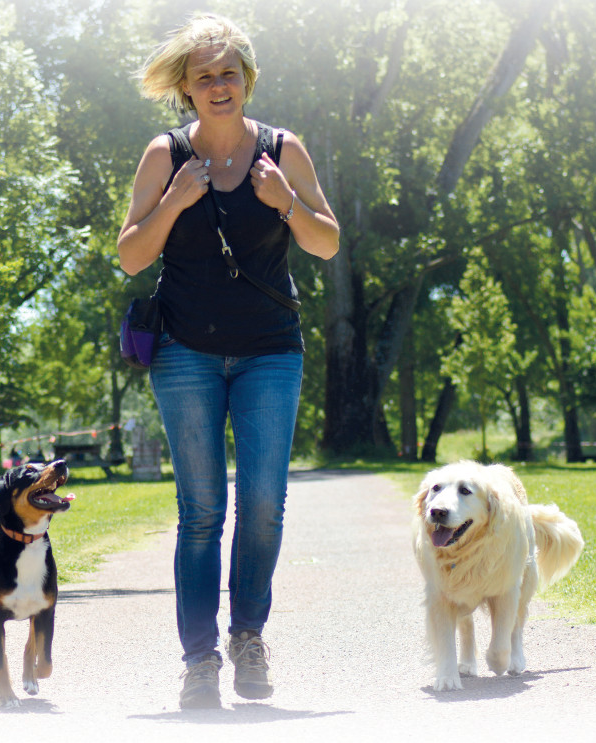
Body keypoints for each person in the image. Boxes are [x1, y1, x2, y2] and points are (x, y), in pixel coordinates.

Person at [117, 13, 339, 709]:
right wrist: (175, 202)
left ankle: (247, 636)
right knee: (202, 509)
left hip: (271, 350)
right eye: (204, 75)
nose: (218, 85)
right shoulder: (165, 156)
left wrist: (288, 201)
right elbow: (129, 253)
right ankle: (199, 659)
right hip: (185, 354)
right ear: (186, 87)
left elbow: (327, 241)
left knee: (265, 505)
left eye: (229, 73)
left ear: (247, 80)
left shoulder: (282, 150)